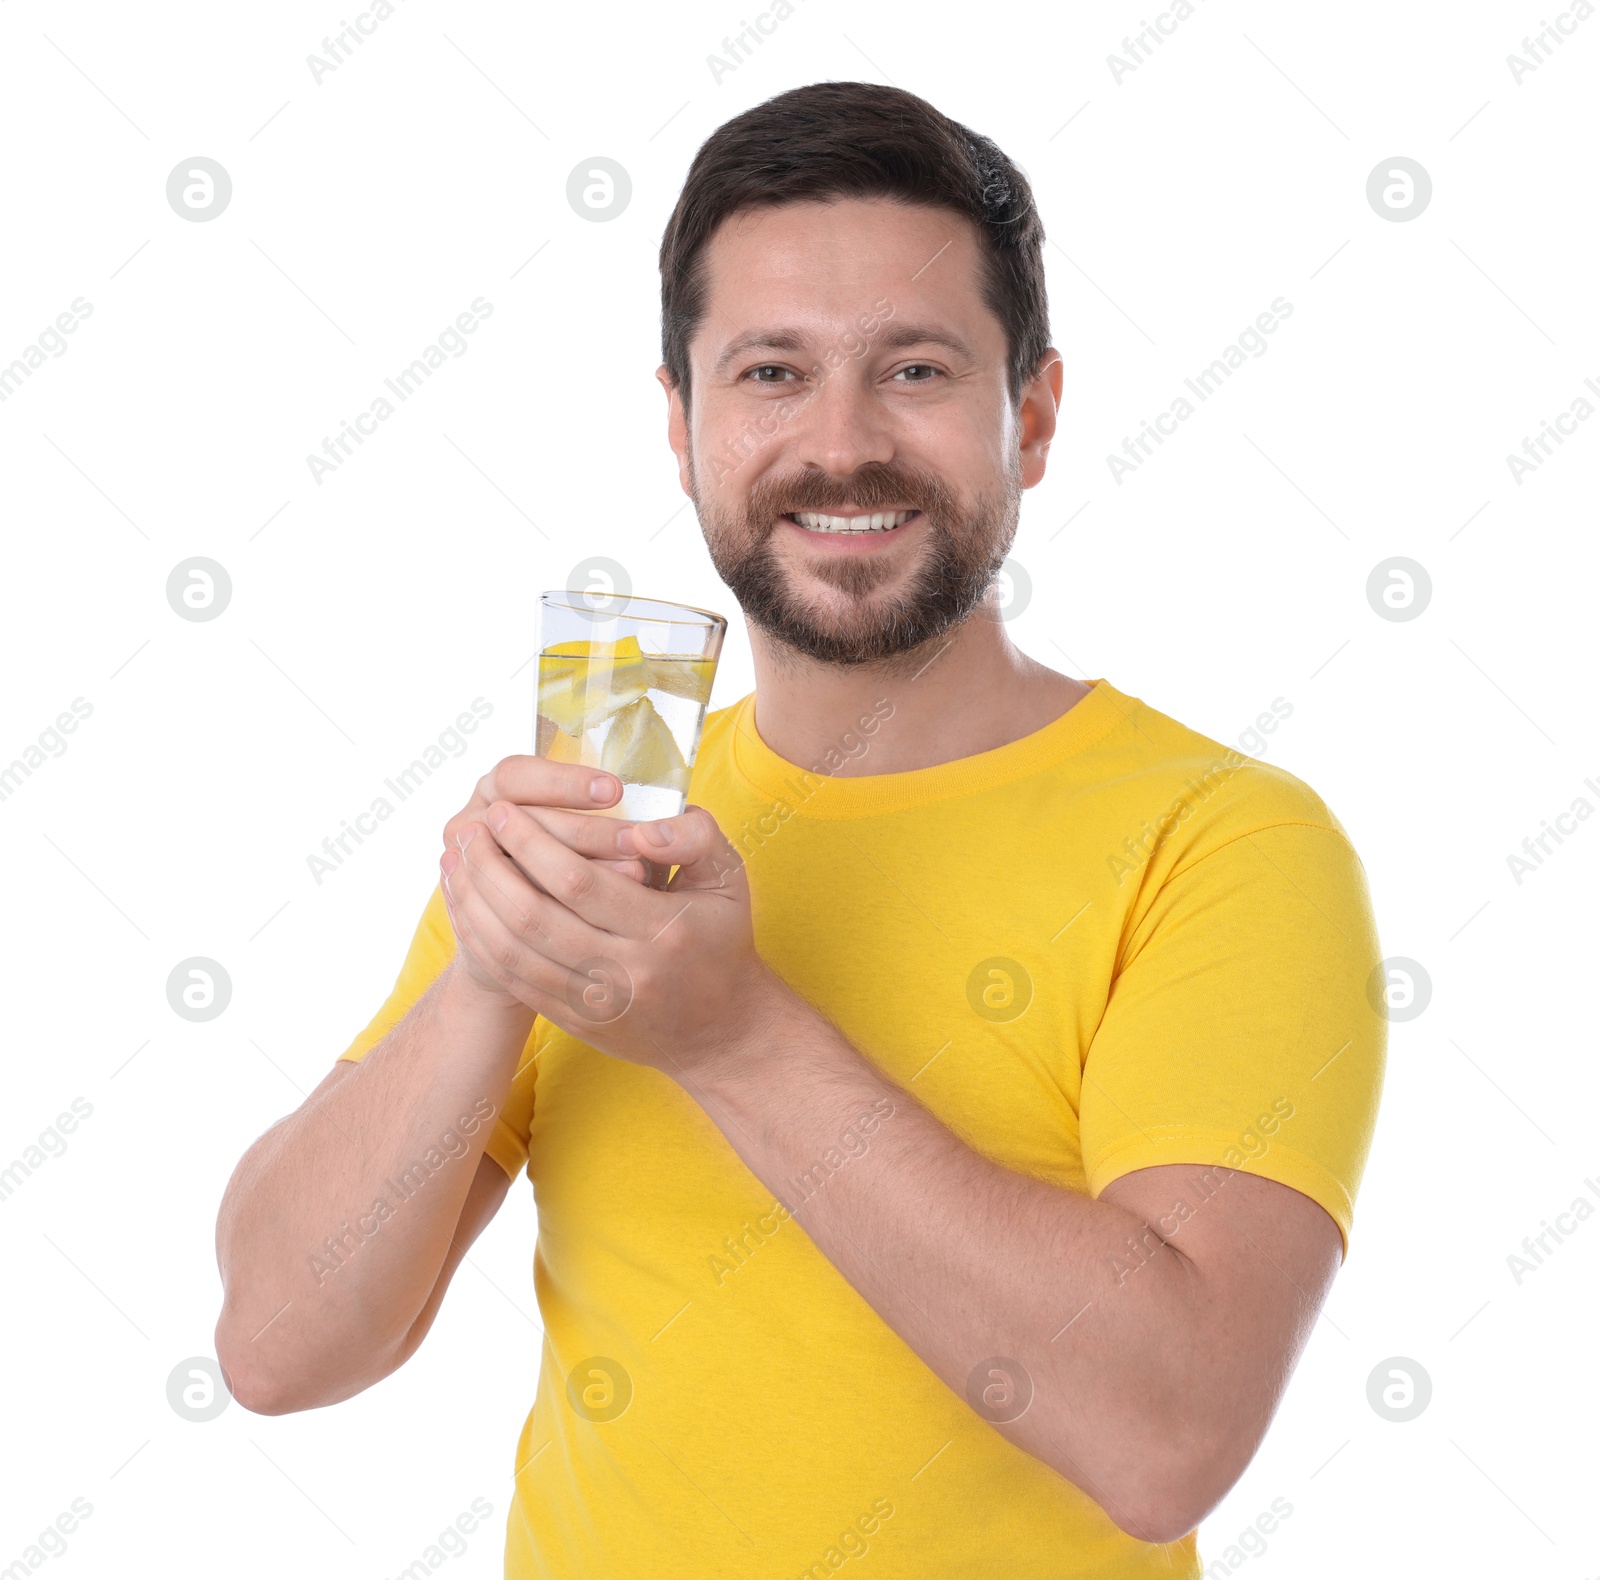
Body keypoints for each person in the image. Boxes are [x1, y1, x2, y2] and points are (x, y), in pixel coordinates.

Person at [214, 80, 1385, 1579]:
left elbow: (1168, 1434)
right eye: (770, 372)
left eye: (912, 369)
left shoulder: (1223, 842)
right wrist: (495, 972)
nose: (840, 446)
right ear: (682, 426)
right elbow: (276, 1345)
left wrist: (733, 1036)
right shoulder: (606, 815)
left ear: (1027, 420)